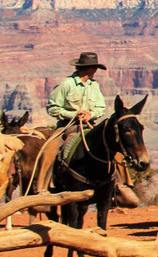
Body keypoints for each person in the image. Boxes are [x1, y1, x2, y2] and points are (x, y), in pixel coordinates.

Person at [39, 52, 139, 207]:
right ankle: (43, 190)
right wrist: (74, 114)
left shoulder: (94, 85)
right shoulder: (66, 84)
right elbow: (52, 108)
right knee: (50, 150)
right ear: (87, 68)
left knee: (115, 148)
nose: (96, 71)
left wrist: (90, 114)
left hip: (90, 125)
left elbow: (100, 107)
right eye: (94, 67)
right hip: (68, 125)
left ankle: (120, 186)